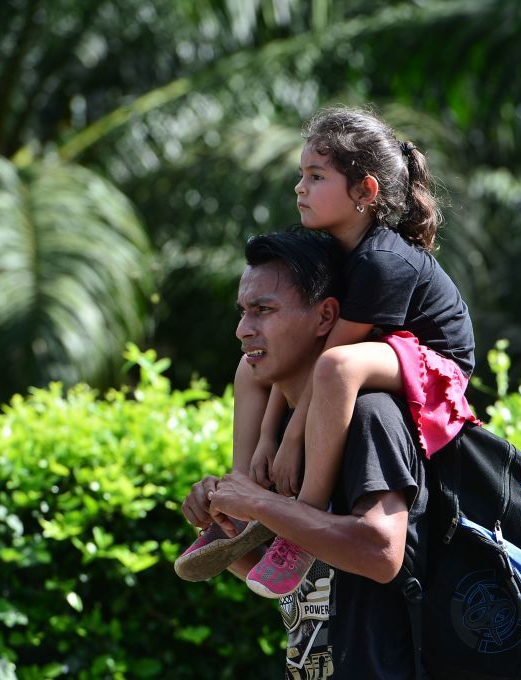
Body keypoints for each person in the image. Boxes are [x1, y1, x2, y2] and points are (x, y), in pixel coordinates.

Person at [230, 106, 480, 599]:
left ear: (365, 191)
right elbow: (307, 358)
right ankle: (237, 504)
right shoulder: (333, 253)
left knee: (338, 365)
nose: (300, 187)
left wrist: (291, 441)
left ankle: (306, 516)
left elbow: (335, 357)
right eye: (301, 175)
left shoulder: (383, 259)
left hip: (436, 363)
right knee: (251, 365)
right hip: (384, 353)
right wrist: (264, 440)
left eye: (316, 176)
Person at [182, 229, 428, 678]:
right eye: (243, 312)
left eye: (264, 311)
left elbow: (380, 552)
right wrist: (222, 520)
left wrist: (260, 502)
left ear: (325, 316)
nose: (243, 329)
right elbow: (288, 580)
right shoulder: (272, 437)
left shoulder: (368, 417)